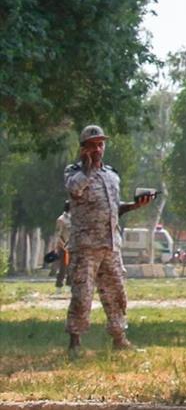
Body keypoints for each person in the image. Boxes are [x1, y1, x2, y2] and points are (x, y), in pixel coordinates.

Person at [64, 125, 153, 357]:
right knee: (82, 295)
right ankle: (75, 342)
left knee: (116, 294)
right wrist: (88, 168)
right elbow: (74, 191)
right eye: (92, 145)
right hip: (85, 247)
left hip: (111, 245)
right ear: (83, 148)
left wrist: (135, 205)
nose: (98, 149)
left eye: (101, 144)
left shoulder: (111, 175)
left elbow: (114, 208)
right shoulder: (74, 173)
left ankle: (119, 337)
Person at [53, 200, 72, 293]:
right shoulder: (61, 220)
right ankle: (58, 287)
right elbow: (58, 235)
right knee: (62, 268)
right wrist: (64, 246)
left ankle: (69, 286)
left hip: (72, 246)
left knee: (72, 267)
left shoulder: (73, 219)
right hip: (63, 247)